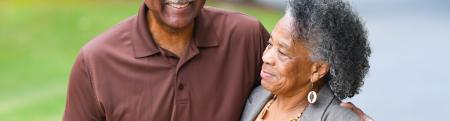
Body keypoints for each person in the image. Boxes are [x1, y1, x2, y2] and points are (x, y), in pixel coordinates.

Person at [63, 0, 369, 120]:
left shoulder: (245, 37)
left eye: (277, 50)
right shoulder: (96, 63)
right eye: (269, 47)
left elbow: (302, 72)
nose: (268, 57)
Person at [241, 0, 371, 121]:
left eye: (282, 52)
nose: (266, 57)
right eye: (270, 44)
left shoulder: (337, 118)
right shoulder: (255, 96)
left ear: (318, 69)